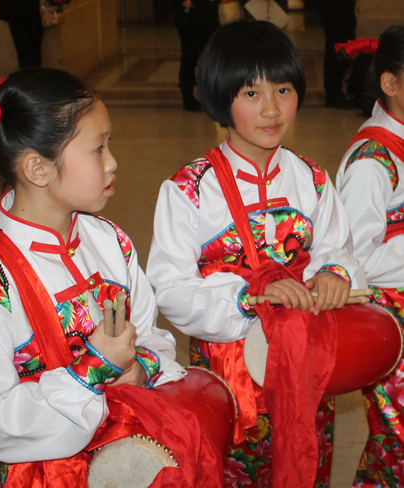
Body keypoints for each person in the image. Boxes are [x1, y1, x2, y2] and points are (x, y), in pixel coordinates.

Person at [0, 68, 188, 486]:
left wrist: (139, 367)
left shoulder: (109, 241)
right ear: (38, 169)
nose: (112, 162)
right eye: (97, 149)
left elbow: (152, 334)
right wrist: (92, 371)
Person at [147, 20, 366, 488]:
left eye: (283, 89)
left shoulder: (312, 179)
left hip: (306, 372)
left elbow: (339, 249)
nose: (271, 109)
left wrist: (333, 274)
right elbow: (169, 287)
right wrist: (247, 298)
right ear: (219, 97)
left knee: (307, 463)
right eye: (251, 94)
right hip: (229, 381)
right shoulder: (189, 189)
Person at [336, 26, 404, 488]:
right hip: (391, 325)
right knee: (397, 439)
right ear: (390, 84)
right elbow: (352, 260)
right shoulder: (371, 161)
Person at [172, 0, 220, 111]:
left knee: (210, 60)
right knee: (189, 59)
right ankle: (188, 97)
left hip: (209, 19)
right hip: (189, 22)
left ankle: (211, 96)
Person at [0, 0, 44, 69]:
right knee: (31, 50)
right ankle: (32, 75)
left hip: (16, 9)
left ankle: (29, 75)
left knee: (26, 50)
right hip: (28, 9)